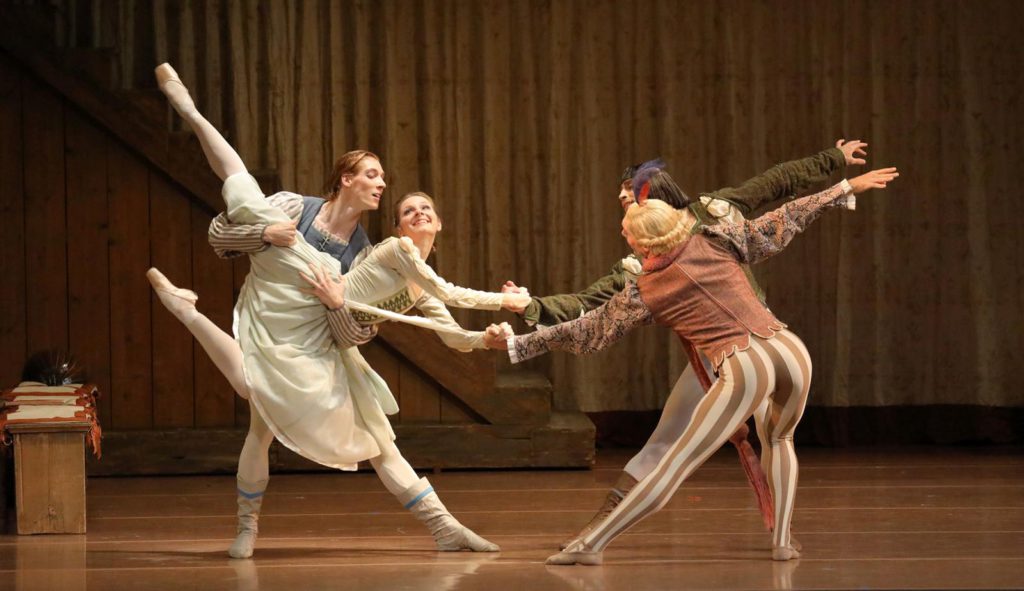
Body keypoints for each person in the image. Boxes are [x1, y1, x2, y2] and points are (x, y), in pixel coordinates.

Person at [148, 63, 529, 558]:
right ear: (346, 179)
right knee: (240, 187)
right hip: (271, 312)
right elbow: (220, 238)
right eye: (373, 175)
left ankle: (444, 527)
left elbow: (360, 330)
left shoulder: (364, 256)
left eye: (419, 206)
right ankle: (189, 111)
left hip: (316, 339)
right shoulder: (298, 209)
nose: (383, 185)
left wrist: (486, 338)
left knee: (367, 437)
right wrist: (266, 234)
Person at [487, 165, 898, 564]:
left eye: (626, 229)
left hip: (743, 361)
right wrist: (844, 188)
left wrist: (518, 345)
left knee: (676, 462)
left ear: (641, 243)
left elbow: (589, 330)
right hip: (789, 347)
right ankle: (783, 541)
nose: (622, 230)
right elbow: (784, 216)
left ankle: (591, 544)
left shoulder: (646, 288)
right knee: (780, 441)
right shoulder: (717, 236)